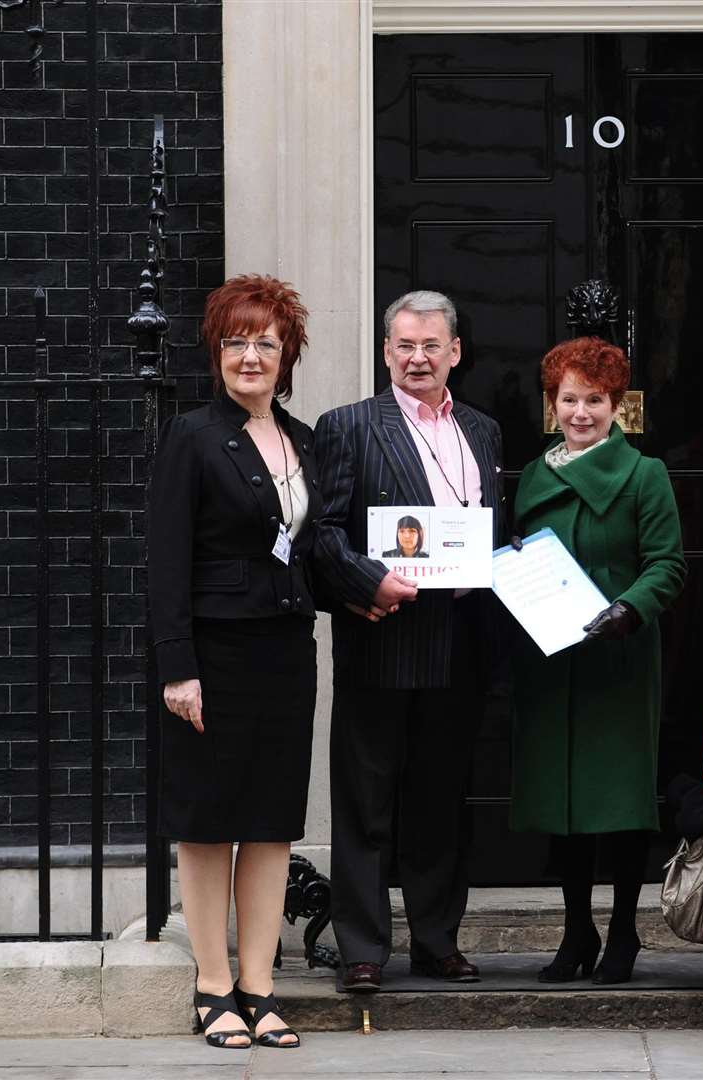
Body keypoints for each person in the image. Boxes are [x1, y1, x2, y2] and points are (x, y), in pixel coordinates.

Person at [312, 290, 504, 993]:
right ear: (386, 351)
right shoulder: (349, 426)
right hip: (381, 636)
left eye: (430, 345)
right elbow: (324, 531)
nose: (416, 357)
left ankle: (436, 941)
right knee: (365, 803)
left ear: (455, 352)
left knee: (439, 801)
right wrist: (366, 582)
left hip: (460, 642)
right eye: (403, 345)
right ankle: (362, 949)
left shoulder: (482, 431)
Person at [147, 274, 319, 1050]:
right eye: (235, 342)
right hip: (213, 653)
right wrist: (177, 665)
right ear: (216, 352)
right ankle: (213, 987)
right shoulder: (192, 435)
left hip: (286, 650)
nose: (250, 356)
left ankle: (260, 984)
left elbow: (317, 549)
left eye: (265, 343)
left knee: (271, 823)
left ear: (288, 357)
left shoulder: (304, 440)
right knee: (209, 822)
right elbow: (164, 559)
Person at [509, 337, 686, 986]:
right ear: (551, 405)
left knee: (617, 801)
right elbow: (521, 553)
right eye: (568, 399)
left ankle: (622, 931)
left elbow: (667, 566)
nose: (580, 412)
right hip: (552, 660)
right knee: (563, 801)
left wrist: (627, 610)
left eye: (594, 400)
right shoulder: (533, 475)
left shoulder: (645, 475)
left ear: (618, 405)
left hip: (618, 657)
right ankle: (575, 928)